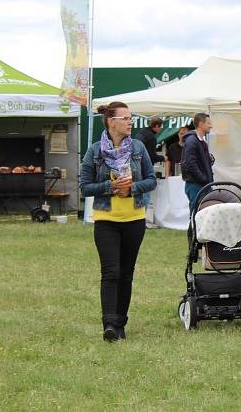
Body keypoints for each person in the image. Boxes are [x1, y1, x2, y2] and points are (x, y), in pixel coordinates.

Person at [80, 101, 157, 342]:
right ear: (111, 121)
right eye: (125, 118)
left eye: (130, 118)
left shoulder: (138, 147)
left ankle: (121, 323)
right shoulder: (94, 151)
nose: (130, 122)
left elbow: (152, 180)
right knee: (110, 272)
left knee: (126, 274)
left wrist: (132, 189)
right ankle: (109, 325)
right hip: (106, 220)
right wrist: (110, 187)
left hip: (134, 219)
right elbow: (84, 187)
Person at [181, 112, 215, 211]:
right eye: (208, 123)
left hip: (203, 184)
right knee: (196, 214)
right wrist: (203, 178)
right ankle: (193, 227)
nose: (211, 126)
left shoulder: (200, 140)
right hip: (196, 185)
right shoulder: (192, 141)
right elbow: (190, 164)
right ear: (201, 124)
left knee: (204, 213)